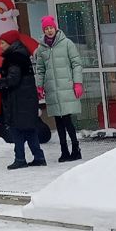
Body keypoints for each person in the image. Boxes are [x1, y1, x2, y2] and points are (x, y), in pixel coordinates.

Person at [34, 15, 84, 163]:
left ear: (55, 28)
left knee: (67, 120)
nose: (49, 31)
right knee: (59, 122)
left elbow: (76, 64)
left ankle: (76, 149)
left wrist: (77, 83)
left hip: (66, 88)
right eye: (46, 29)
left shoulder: (67, 43)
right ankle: (64, 151)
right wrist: (39, 85)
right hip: (52, 90)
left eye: (51, 28)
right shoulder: (41, 48)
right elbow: (40, 69)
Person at [0, 30, 47, 169]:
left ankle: (20, 158)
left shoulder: (14, 58)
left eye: (2, 43)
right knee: (29, 130)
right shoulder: (22, 55)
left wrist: (2, 81)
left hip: (18, 100)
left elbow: (13, 79)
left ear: (10, 43)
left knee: (17, 130)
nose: (0, 46)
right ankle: (38, 157)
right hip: (26, 99)